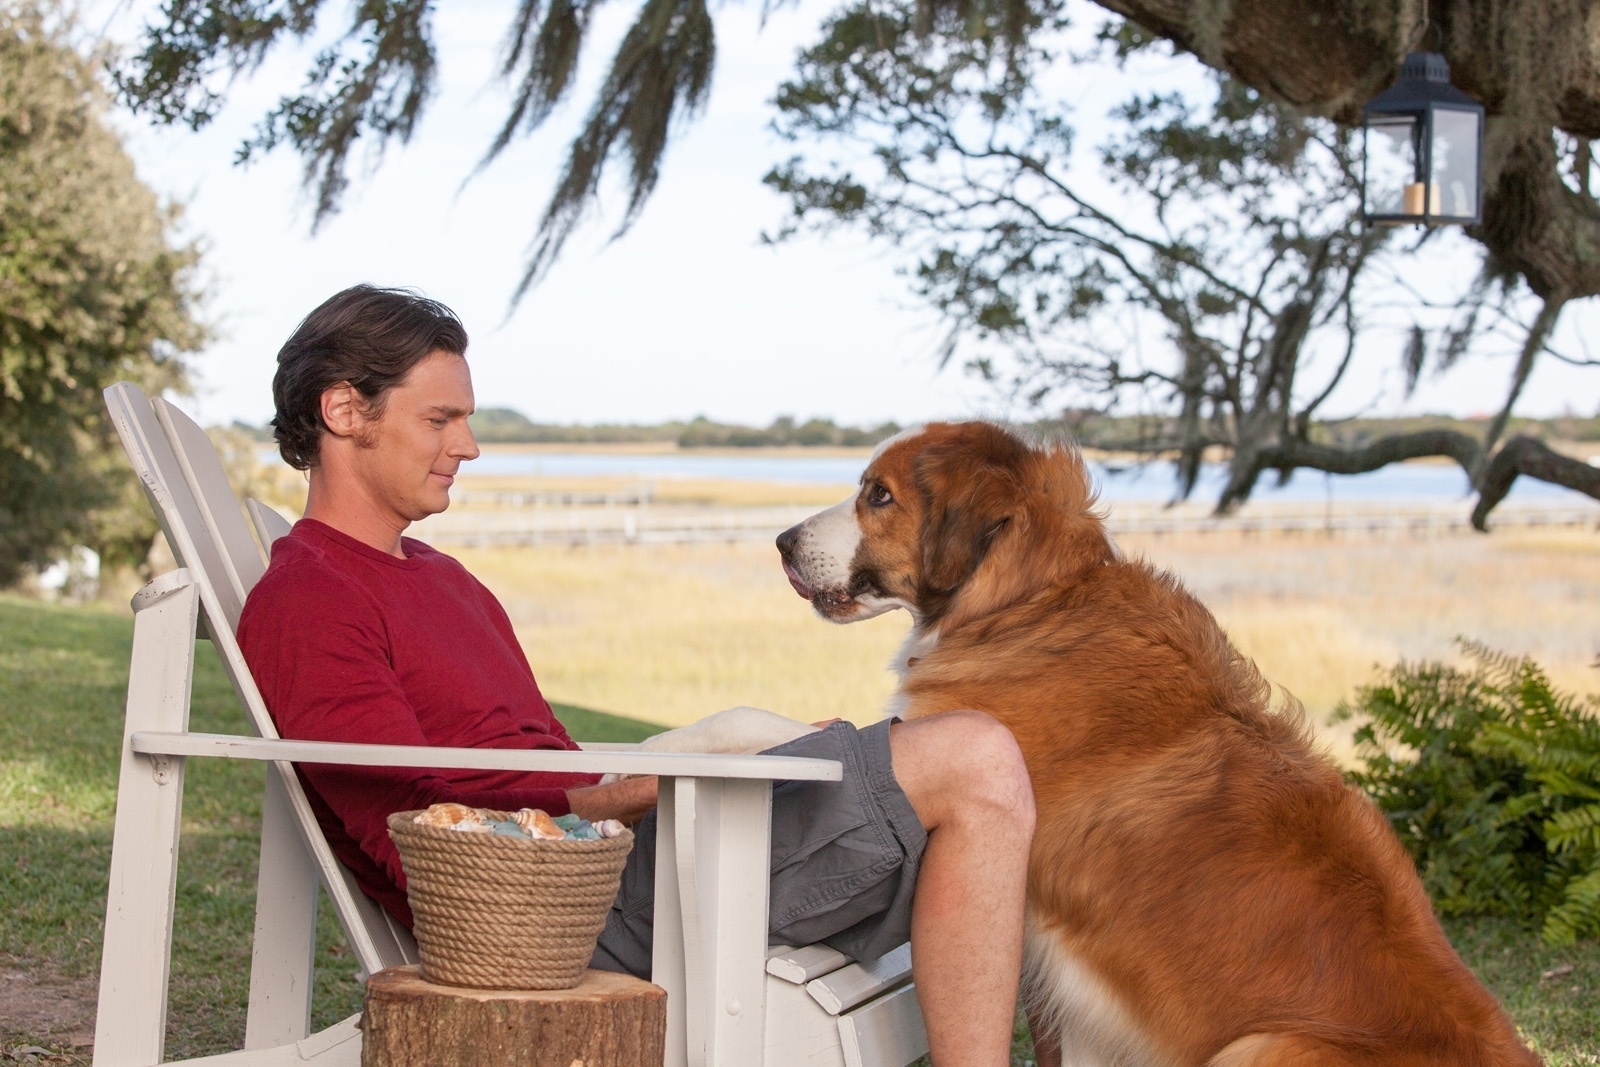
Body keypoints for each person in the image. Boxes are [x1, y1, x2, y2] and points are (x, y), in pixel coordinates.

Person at [236, 284, 1035, 1065]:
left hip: (625, 852)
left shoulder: (442, 577)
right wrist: (655, 785)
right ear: (346, 412)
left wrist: (710, 761)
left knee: (991, 777)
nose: (468, 445)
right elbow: (410, 836)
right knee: (976, 757)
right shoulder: (311, 598)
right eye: (440, 418)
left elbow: (537, 759)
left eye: (467, 420)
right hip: (557, 902)